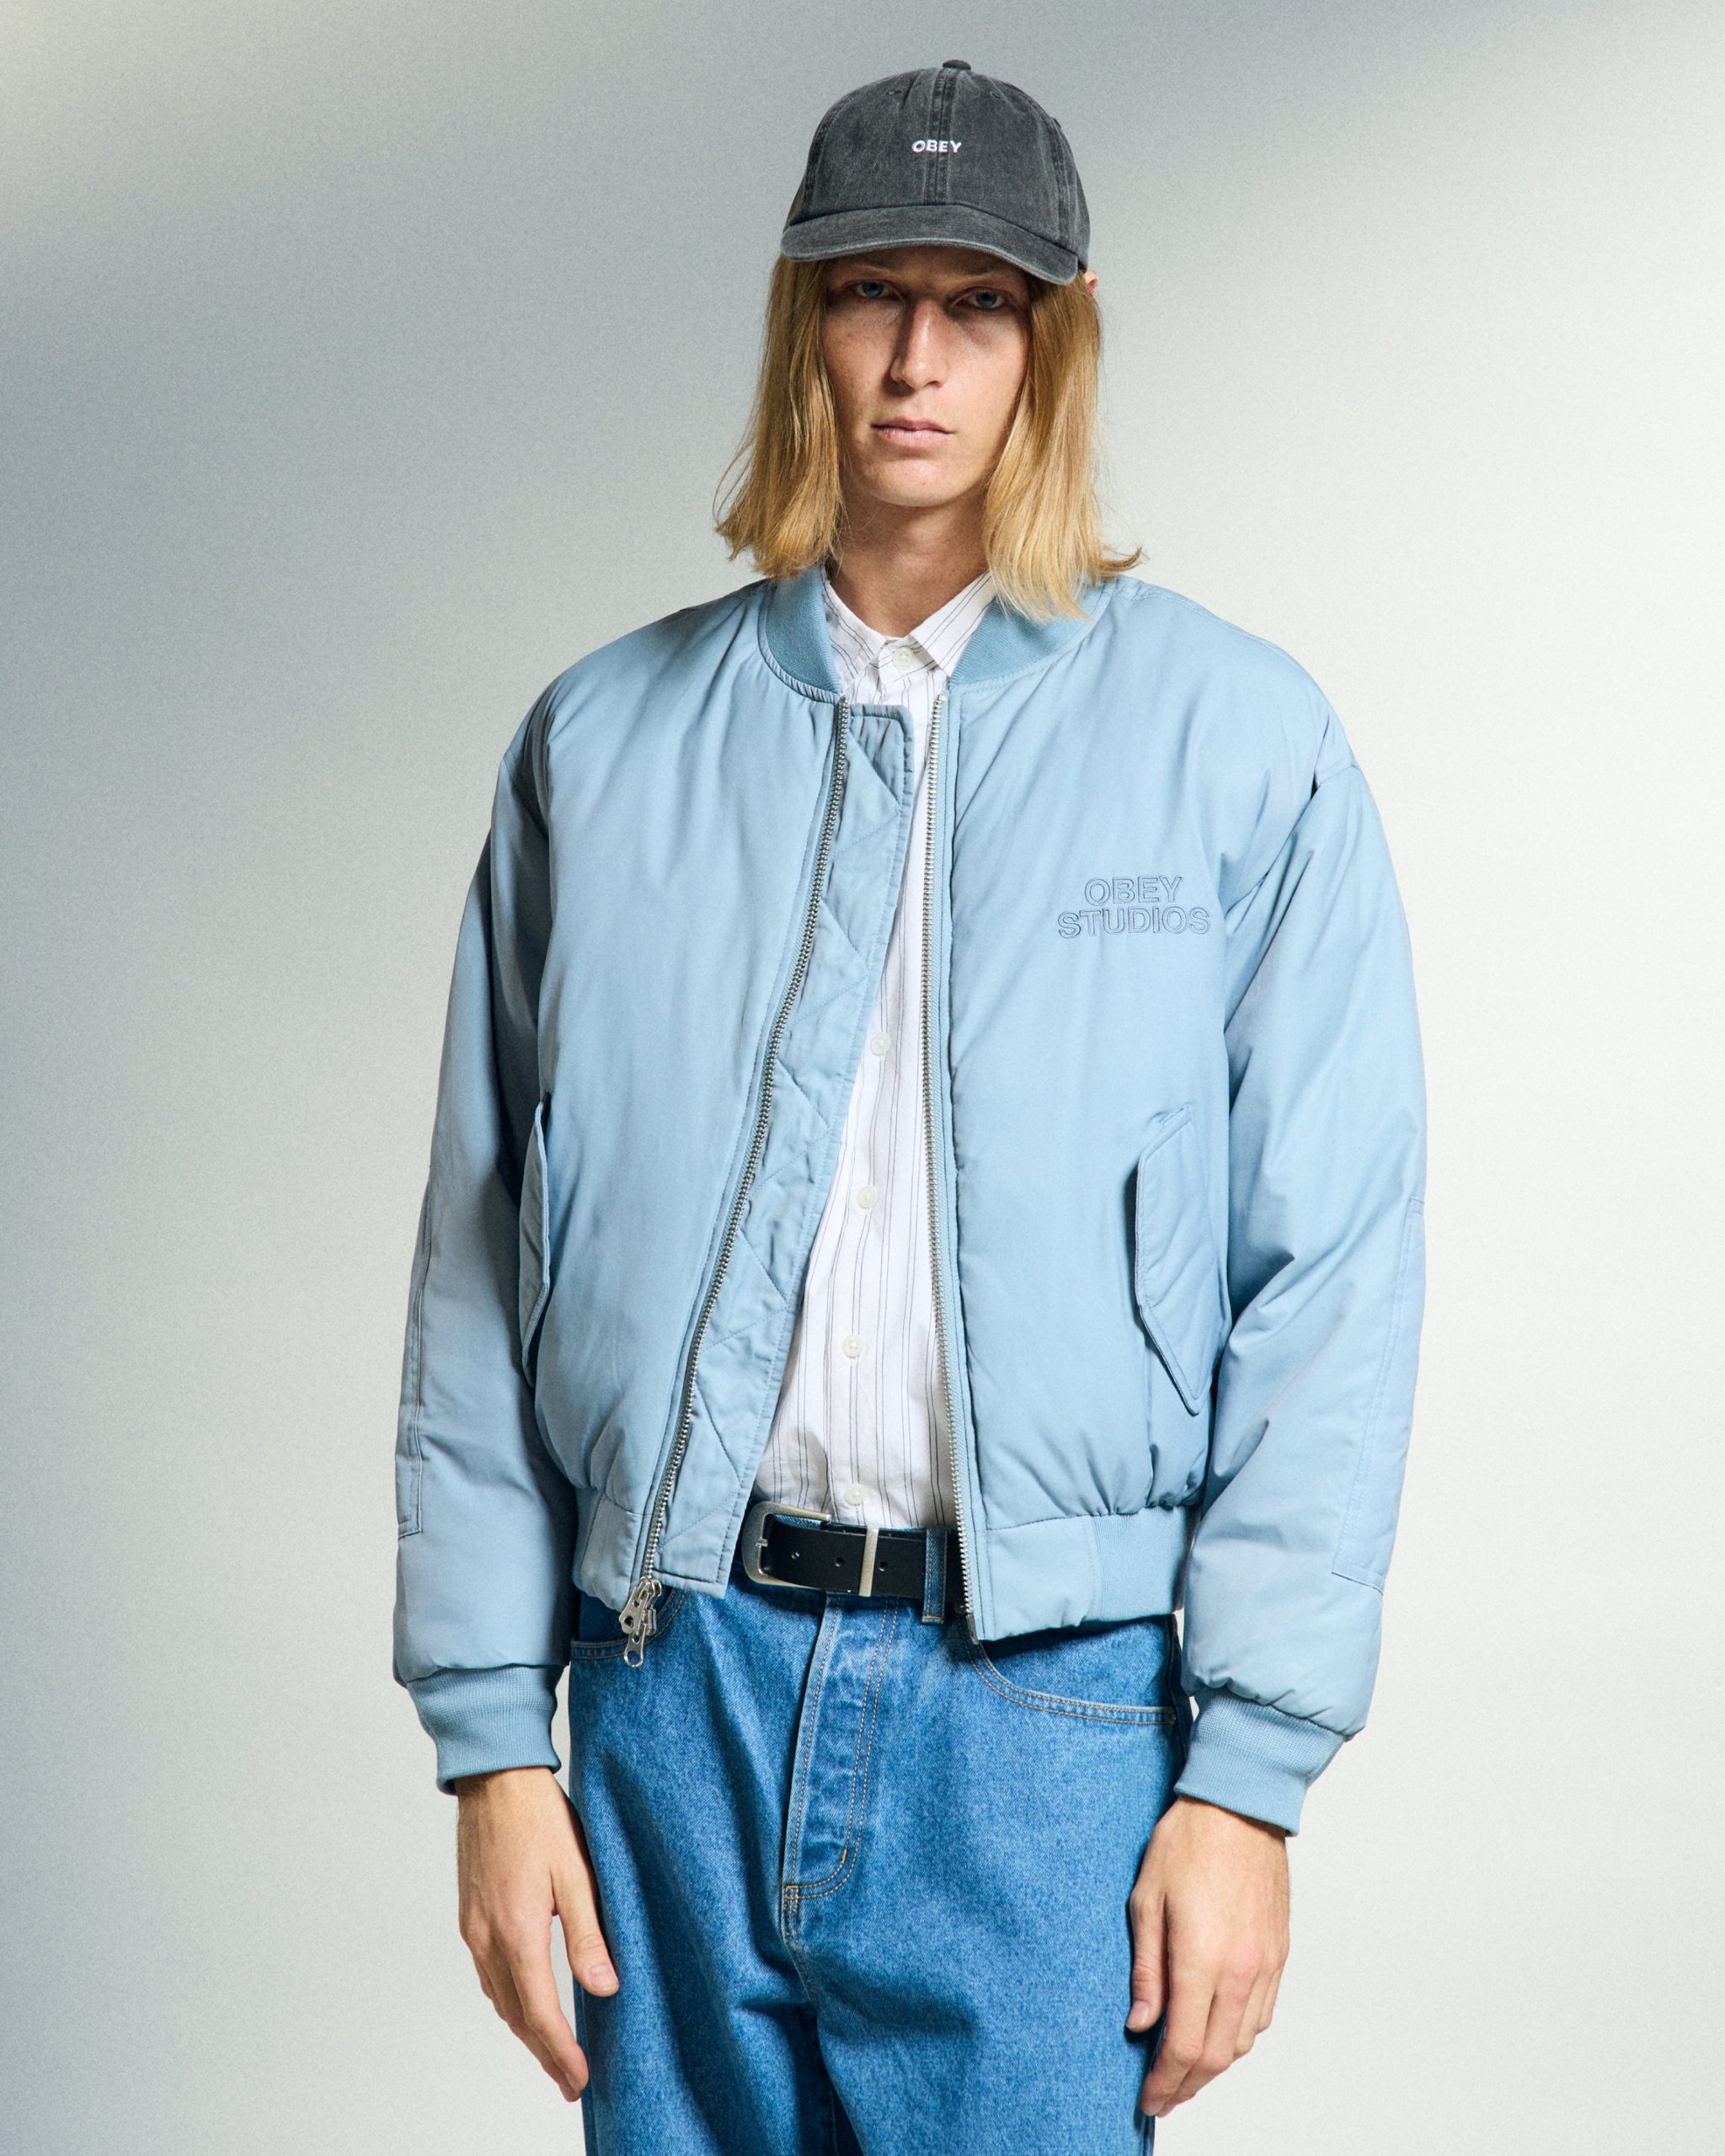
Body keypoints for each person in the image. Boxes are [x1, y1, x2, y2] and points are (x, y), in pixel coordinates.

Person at [392, 60, 1426, 2156]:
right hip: (669, 1689)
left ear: (1055, 341)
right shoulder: (602, 745)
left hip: (1045, 1712)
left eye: (978, 303)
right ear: (805, 321)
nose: (917, 359)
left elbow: (1327, 1281)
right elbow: (480, 1271)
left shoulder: (1243, 748)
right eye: (873, 292)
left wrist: (1244, 1781)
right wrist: (497, 1743)